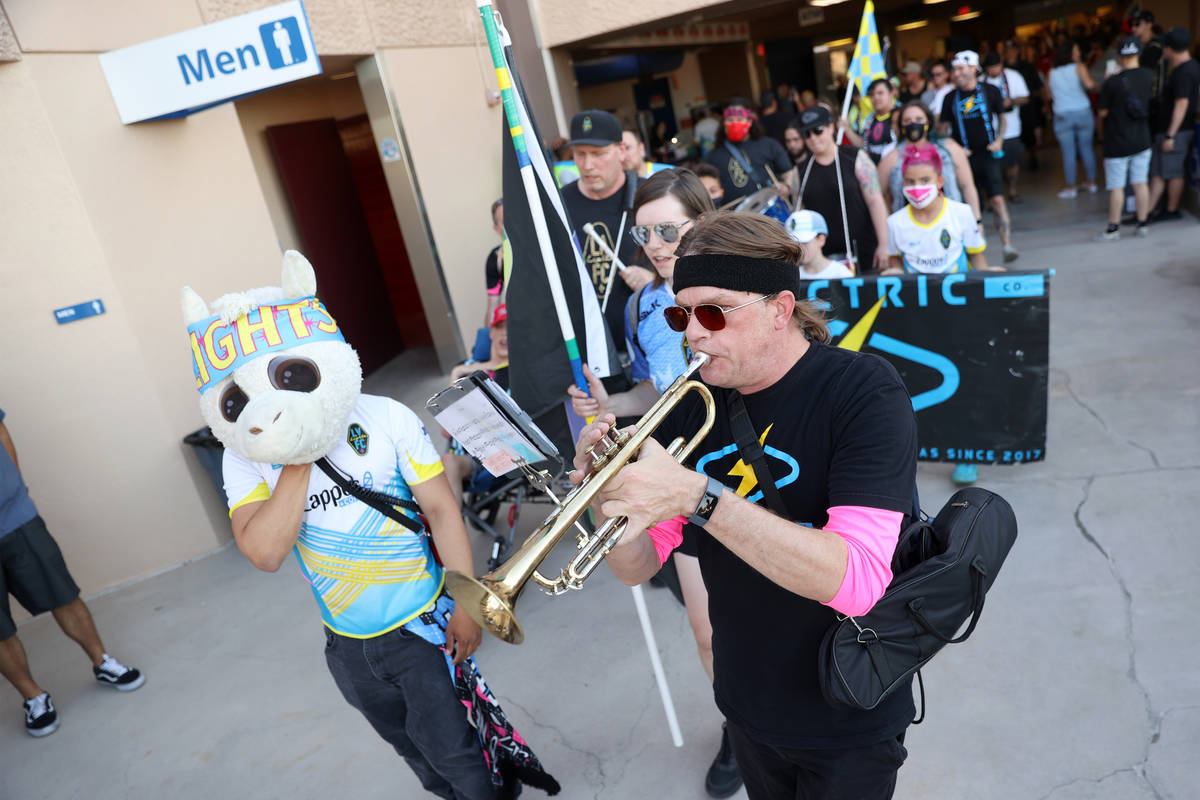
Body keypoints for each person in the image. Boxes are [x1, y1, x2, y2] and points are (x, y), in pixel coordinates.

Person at [573, 211, 919, 800]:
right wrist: (609, 494)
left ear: (780, 310)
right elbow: (637, 567)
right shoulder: (690, 407)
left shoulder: (863, 391)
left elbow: (857, 581)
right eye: (682, 314)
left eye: (713, 312)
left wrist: (696, 496)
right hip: (747, 703)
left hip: (848, 708)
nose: (692, 333)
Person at [565, 170, 743, 799]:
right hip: (676, 472)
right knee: (707, 630)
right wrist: (608, 398)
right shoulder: (642, 304)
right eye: (645, 233)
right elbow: (656, 389)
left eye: (671, 228)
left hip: (750, 467)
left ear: (703, 220)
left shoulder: (739, 285)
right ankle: (742, 729)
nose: (659, 243)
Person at [0, 408, 144, 737]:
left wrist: (14, 489)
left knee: (63, 595)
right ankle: (33, 697)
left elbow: (1, 431)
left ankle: (102, 661)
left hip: (14, 516)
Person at [561, 109, 655, 359]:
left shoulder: (650, 195)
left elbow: (686, 259)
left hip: (650, 342)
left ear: (621, 151)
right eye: (580, 154)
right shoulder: (559, 205)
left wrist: (655, 282)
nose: (588, 165)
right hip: (588, 352)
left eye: (598, 154)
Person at [939, 50, 1019, 263]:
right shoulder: (949, 99)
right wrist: (955, 147)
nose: (956, 74)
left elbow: (1002, 118)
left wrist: (1000, 139)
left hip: (988, 153)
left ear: (974, 69)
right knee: (970, 204)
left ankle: (1007, 245)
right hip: (964, 159)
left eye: (960, 69)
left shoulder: (990, 91)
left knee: (997, 198)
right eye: (954, 69)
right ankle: (977, 251)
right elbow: (941, 129)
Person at [794, 105, 891, 272]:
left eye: (818, 130)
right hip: (821, 261)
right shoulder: (801, 170)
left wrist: (884, 244)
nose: (813, 138)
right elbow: (800, 214)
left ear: (831, 127)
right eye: (806, 134)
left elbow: (875, 201)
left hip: (863, 253)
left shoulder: (856, 157)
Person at [443, 305, 510, 506]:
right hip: (464, 457)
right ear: (491, 332)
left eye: (510, 328)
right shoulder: (466, 367)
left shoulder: (517, 374)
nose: (505, 333)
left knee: (447, 462)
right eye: (499, 327)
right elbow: (446, 431)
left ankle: (452, 533)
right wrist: (456, 373)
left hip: (494, 455)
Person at [878, 100, 982, 223]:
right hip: (908, 229)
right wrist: (888, 225)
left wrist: (977, 220)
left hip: (951, 223)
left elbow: (967, 186)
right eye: (907, 121)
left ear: (929, 122)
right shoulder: (891, 158)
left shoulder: (949, 148)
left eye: (919, 119)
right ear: (901, 125)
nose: (913, 124)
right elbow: (879, 195)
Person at [1097, 36, 1154, 239]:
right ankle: (1142, 223)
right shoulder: (1150, 76)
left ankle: (1113, 228)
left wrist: (1107, 81)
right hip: (1142, 139)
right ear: (1139, 53)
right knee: (1140, 183)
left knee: (1117, 186)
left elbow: (1102, 112)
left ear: (1120, 56)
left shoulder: (1112, 82)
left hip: (1117, 141)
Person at [1146, 28, 1199, 223]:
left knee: (1173, 171)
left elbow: (1182, 103)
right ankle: (1148, 212)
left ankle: (1171, 209)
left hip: (1176, 131)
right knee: (1160, 171)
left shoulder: (1185, 71)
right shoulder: (1186, 68)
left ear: (1169, 49)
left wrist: (1171, 135)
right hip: (1170, 130)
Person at [701, 98, 795, 206]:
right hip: (734, 220)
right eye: (730, 120)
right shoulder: (712, 156)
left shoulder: (769, 145)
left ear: (750, 121)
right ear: (724, 123)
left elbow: (788, 172)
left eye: (740, 119)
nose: (735, 123)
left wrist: (786, 187)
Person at [1045, 41, 1099, 197]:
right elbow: (1089, 85)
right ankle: (1091, 182)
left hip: (1062, 114)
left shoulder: (1051, 72)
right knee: (1086, 148)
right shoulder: (1079, 67)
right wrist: (1100, 84)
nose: (1079, 54)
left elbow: (1048, 95)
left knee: (1068, 152)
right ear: (1069, 53)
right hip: (1082, 111)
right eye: (1076, 51)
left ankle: (1071, 187)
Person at [982, 51, 1030, 202]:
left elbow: (1025, 98)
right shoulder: (981, 81)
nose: (993, 71)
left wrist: (1011, 102)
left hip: (1011, 129)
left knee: (1011, 163)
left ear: (1001, 65)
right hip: (988, 131)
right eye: (990, 68)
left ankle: (1012, 189)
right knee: (991, 166)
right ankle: (995, 195)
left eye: (996, 67)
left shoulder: (1013, 76)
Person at [785, 209, 854, 279]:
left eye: (804, 242)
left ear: (821, 239)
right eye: (794, 244)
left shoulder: (841, 273)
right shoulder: (792, 277)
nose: (799, 248)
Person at [1009, 41, 1046, 171]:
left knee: (1030, 133)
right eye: (1008, 51)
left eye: (1012, 50)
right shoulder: (1003, 70)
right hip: (1010, 110)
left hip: (1028, 107)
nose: (1010, 53)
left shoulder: (1028, 67)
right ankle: (1013, 164)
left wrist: (1045, 103)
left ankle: (1033, 156)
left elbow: (1039, 87)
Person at [848, 78, 900, 165]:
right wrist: (846, 128)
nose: (875, 97)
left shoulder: (900, 116)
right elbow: (863, 144)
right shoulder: (870, 120)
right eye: (871, 95)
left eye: (880, 93)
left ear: (891, 94)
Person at [483, 199, 505, 327]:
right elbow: (493, 305)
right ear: (497, 229)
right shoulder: (496, 259)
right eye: (505, 221)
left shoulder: (544, 244)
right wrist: (489, 336)